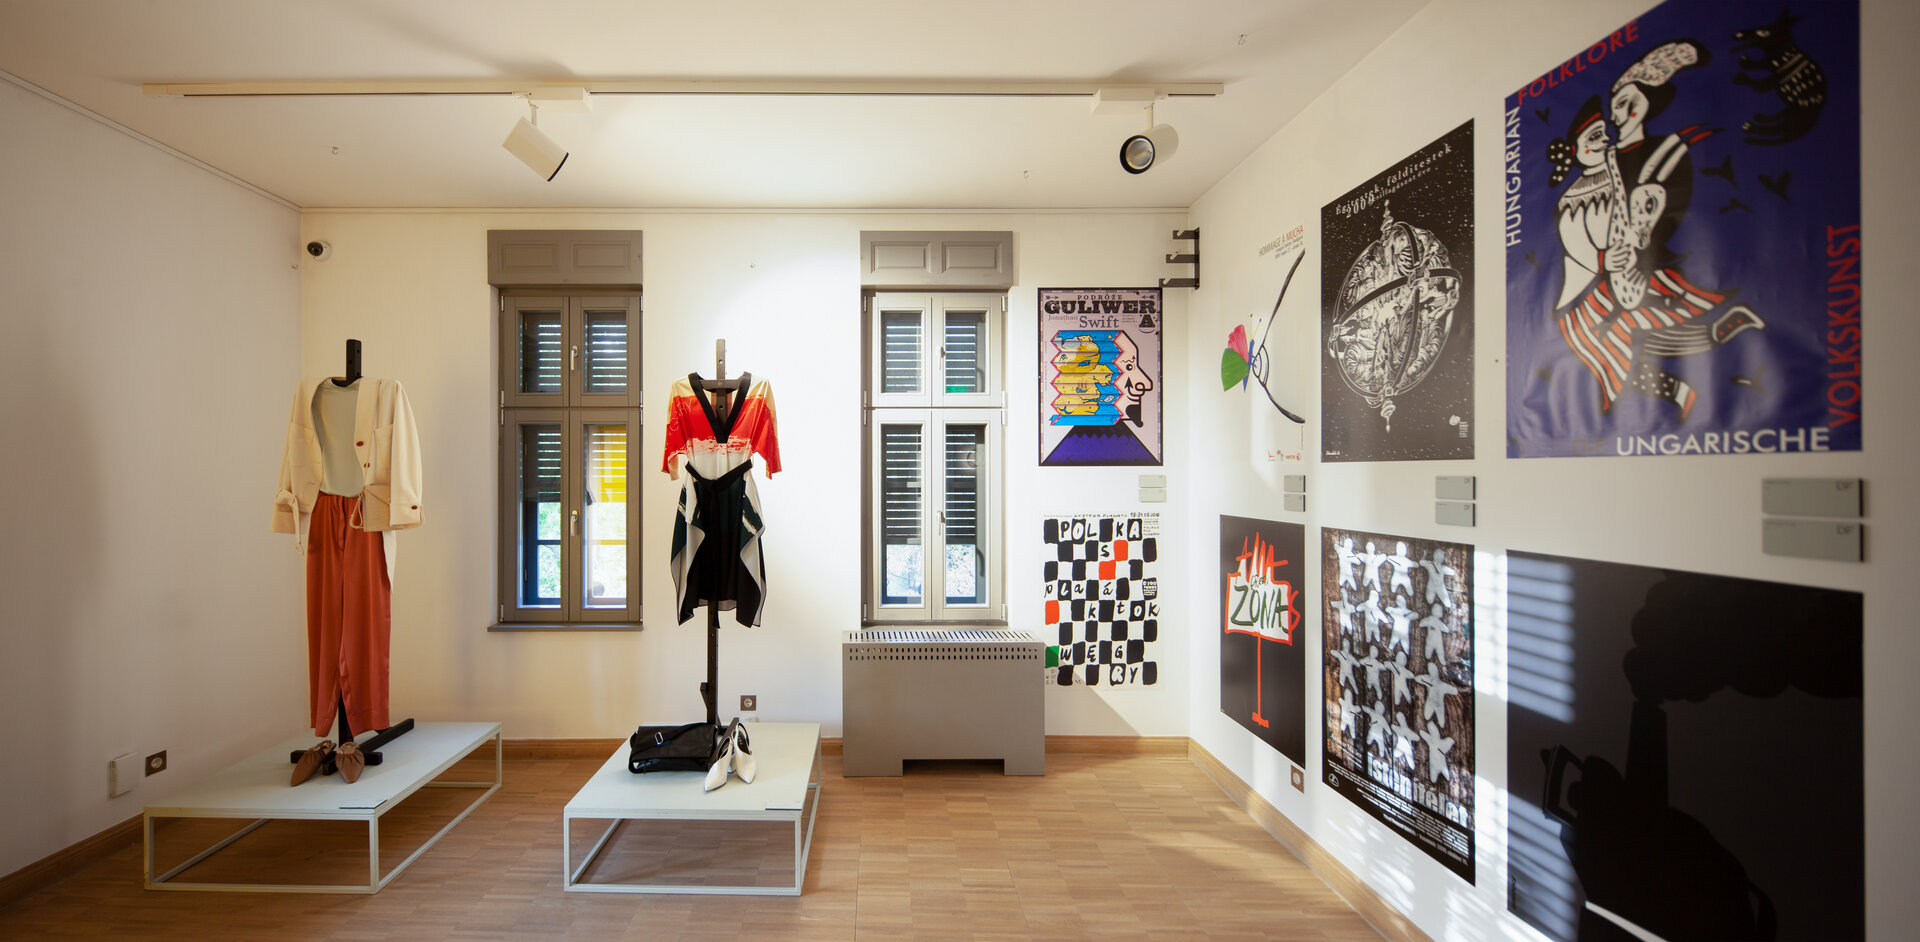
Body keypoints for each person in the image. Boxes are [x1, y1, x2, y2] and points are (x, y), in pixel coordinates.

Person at [1546, 42, 1765, 421]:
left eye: (1603, 134)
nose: (1605, 139)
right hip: (1583, 292)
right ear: (1577, 150)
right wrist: (1604, 259)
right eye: (1593, 138)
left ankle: (1693, 372)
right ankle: (1691, 372)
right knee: (1613, 346)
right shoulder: (1573, 197)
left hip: (1617, 281)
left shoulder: (1624, 169)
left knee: (1631, 337)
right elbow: (1574, 240)